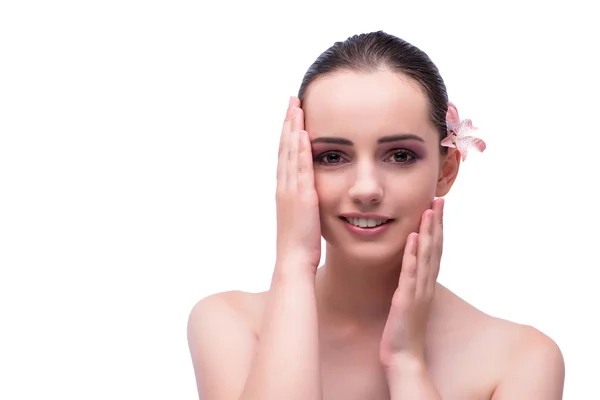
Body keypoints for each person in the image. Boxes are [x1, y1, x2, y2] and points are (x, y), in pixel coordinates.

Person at [187, 31, 565, 400]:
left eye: (400, 155)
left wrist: (407, 364)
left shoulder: (522, 361)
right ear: (296, 165)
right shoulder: (229, 326)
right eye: (332, 157)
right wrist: (293, 261)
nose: (366, 188)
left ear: (446, 170)